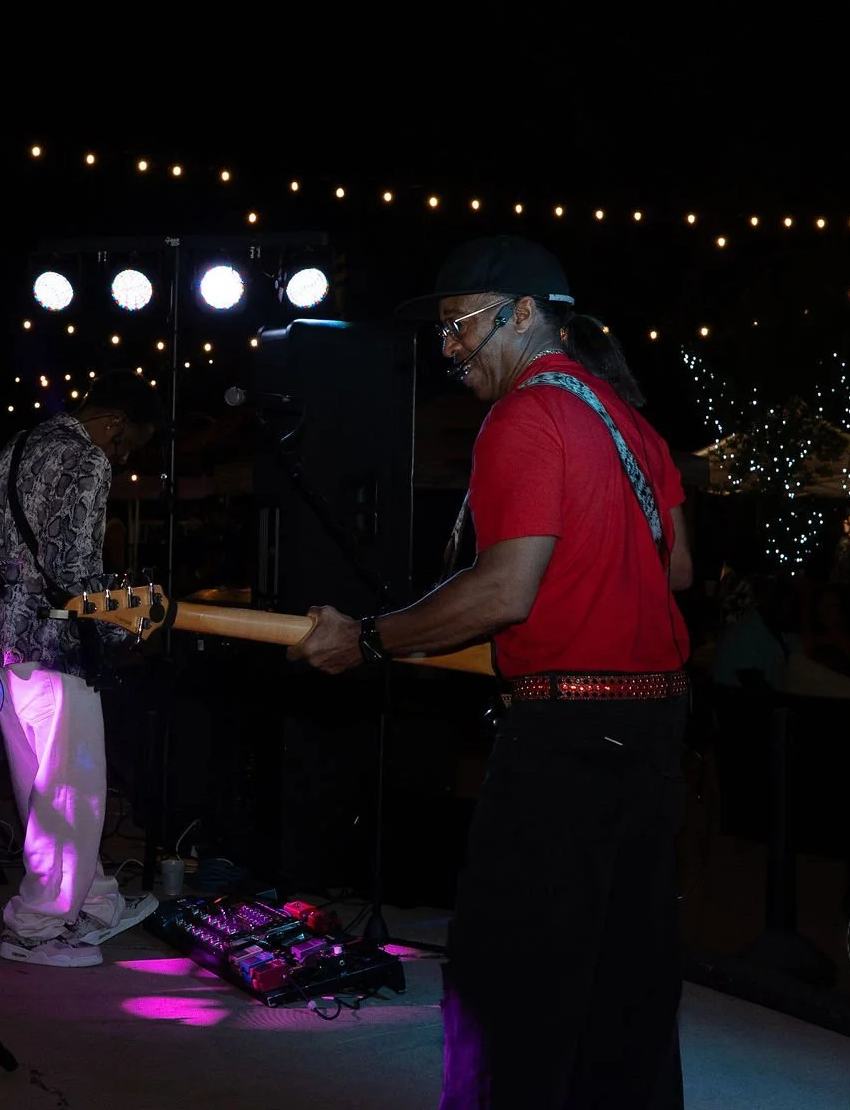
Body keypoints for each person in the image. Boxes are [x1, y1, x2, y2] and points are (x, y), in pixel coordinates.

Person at [288, 237, 692, 1108]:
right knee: (628, 976)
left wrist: (365, 638)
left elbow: (504, 591)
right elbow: (678, 568)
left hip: (568, 738)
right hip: (655, 732)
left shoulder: (524, 417)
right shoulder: (632, 423)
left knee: (509, 978)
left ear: (522, 315)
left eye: (458, 325)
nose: (448, 348)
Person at [0, 371, 164, 967]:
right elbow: (74, 572)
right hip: (52, 646)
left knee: (41, 790)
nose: (120, 460)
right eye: (126, 447)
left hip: (1, 644)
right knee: (72, 789)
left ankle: (94, 898)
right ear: (115, 424)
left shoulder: (17, 445)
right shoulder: (86, 459)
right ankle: (38, 927)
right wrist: (128, 616)